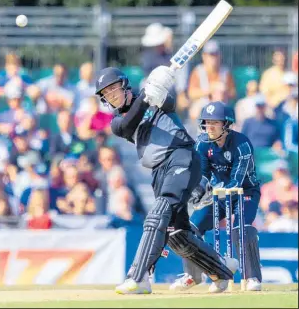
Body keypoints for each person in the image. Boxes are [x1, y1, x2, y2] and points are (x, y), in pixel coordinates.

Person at [95, 66, 238, 295]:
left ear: (124, 85)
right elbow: (129, 124)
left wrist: (159, 90)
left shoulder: (155, 96)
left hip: (181, 156)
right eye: (106, 94)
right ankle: (221, 269)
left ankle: (139, 277)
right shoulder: (117, 122)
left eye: (113, 89)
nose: (111, 95)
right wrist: (145, 96)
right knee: (176, 234)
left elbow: (169, 103)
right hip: (158, 171)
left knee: (158, 212)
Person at [170, 101, 263, 292]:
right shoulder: (203, 143)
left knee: (240, 228)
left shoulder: (242, 144)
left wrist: (213, 191)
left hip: (245, 193)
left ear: (226, 124)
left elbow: (237, 180)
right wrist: (197, 190)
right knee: (191, 228)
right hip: (220, 194)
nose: (209, 127)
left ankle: (251, 276)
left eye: (215, 123)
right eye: (207, 122)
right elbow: (202, 173)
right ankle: (195, 275)